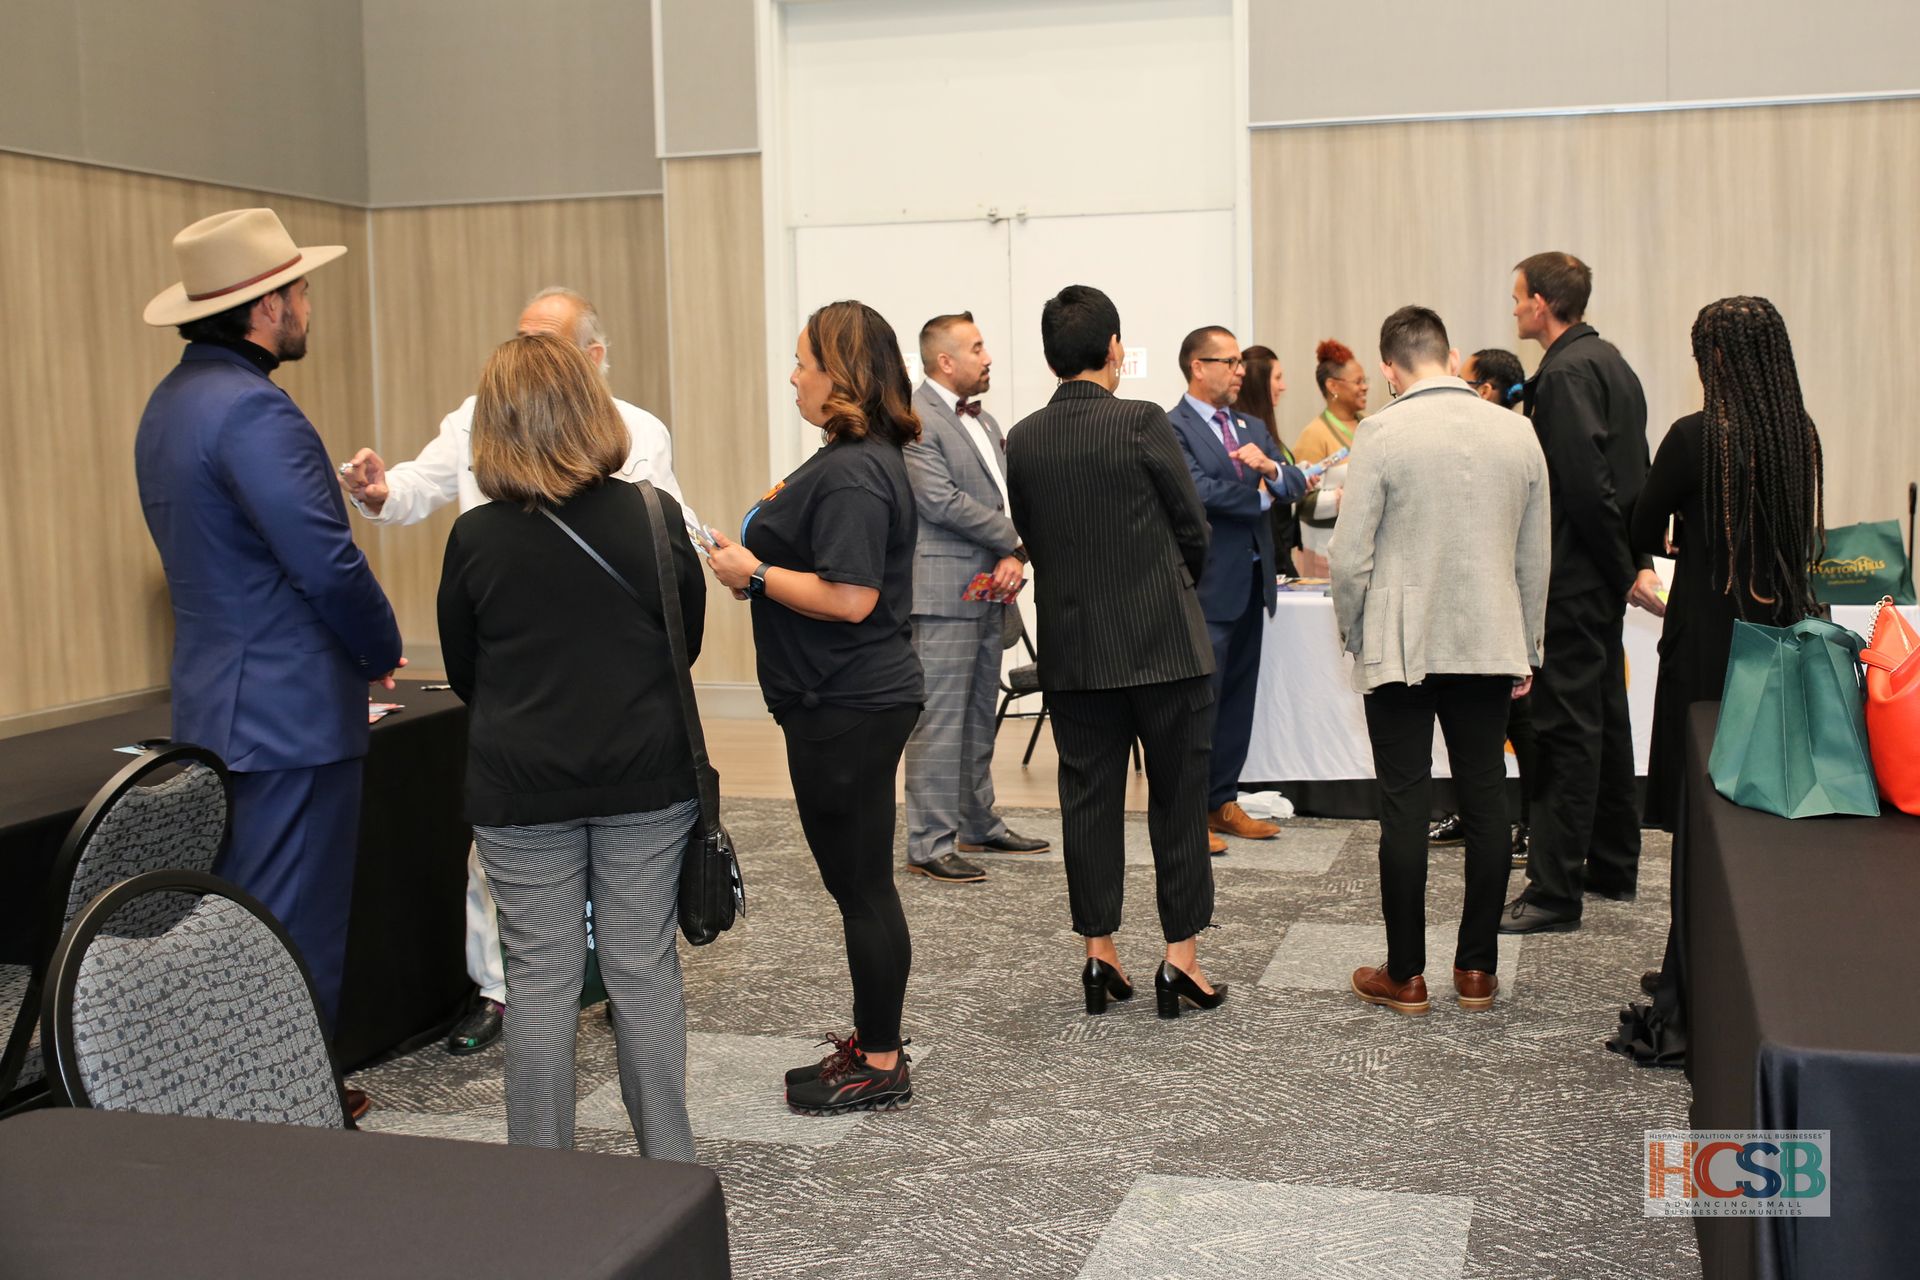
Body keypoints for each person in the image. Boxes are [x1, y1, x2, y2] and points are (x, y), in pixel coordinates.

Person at [340, 286, 686, 1057]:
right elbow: (416, 488)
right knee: (501, 871)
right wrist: (376, 491)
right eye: (521, 337)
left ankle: (602, 976)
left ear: (592, 358)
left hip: (610, 688)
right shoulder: (473, 419)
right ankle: (499, 989)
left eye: (550, 343)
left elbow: (668, 552)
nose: (527, 356)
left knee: (621, 894)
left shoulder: (640, 431)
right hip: (521, 683)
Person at [135, 209, 404, 1075]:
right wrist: (380, 646)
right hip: (290, 717)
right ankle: (289, 1115)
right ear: (265, 310)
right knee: (292, 935)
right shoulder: (257, 412)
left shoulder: (172, 403)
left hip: (219, 705)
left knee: (241, 920)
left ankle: (246, 1105)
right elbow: (325, 566)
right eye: (300, 290)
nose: (308, 303)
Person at [437, 333, 703, 1157]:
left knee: (541, 981)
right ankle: (670, 1166)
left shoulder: (476, 539)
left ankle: (540, 1190)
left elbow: (462, 670)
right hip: (645, 779)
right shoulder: (655, 517)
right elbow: (682, 645)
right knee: (640, 967)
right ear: (593, 409)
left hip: (521, 787)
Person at [706, 301, 925, 1115]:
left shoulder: (856, 470)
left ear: (840, 374)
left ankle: (879, 1060)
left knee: (863, 885)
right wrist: (752, 569)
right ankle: (877, 1048)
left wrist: (753, 573)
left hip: (848, 701)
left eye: (802, 361)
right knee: (857, 882)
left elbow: (853, 597)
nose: (793, 376)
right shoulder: (847, 459)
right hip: (838, 698)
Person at [1004, 285, 1225, 1021]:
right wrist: (1171, 583)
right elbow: (1192, 527)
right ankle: (1180, 961)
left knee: (1088, 804)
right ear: (1113, 351)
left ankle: (1100, 956)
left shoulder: (1025, 438)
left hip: (1075, 655)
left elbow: (1032, 534)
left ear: (1049, 357)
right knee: (1177, 800)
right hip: (1164, 646)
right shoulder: (1141, 421)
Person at [1332, 307, 1549, 1016]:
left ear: (1390, 368)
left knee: (1404, 801)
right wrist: (1529, 643)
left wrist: (1354, 629)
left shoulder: (1382, 431)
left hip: (1402, 640)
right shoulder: (1516, 432)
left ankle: (1407, 975)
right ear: (1452, 357)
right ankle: (1477, 971)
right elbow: (1534, 555)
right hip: (1489, 637)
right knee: (1487, 801)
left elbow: (1351, 554)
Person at [1629, 297, 1824, 831]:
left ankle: (1696, 915)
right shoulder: (1797, 435)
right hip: (1778, 626)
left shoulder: (1694, 437)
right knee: (1767, 777)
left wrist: (1680, 530)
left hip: (1707, 632)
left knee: (1702, 781)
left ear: (1713, 358)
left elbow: (1642, 526)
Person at [1501, 252, 1651, 935]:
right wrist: (1632, 562)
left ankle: (1553, 892)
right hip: (1599, 574)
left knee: (1562, 730)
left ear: (1541, 303)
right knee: (1606, 718)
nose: (1514, 309)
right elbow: (1632, 478)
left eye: (1518, 297)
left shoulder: (1562, 375)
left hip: (1572, 576)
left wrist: (1623, 568)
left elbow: (1587, 486)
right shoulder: (1613, 362)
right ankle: (1614, 863)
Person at [899, 311, 1050, 884]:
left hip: (990, 586)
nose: (988, 358)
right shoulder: (915, 418)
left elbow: (1002, 497)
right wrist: (1015, 539)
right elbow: (938, 501)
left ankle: (976, 821)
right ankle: (928, 842)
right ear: (945, 360)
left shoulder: (984, 423)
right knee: (939, 719)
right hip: (940, 593)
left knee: (977, 712)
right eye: (978, 348)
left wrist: (1013, 555)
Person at [1168, 327, 1309, 851]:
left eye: (1238, 362)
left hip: (1254, 586)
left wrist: (1271, 470)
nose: (1238, 371)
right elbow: (1195, 492)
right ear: (1196, 367)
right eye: (1226, 362)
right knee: (1198, 705)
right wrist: (1261, 494)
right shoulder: (1173, 427)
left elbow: (1293, 482)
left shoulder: (1250, 424)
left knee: (1237, 701)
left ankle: (1220, 801)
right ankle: (1186, 815)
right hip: (1207, 588)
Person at [1427, 347, 1537, 869]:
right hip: (1485, 624)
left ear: (1486, 389)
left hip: (1501, 621)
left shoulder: (1515, 441)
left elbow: (1531, 551)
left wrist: (1530, 642)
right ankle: (1475, 816)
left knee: (1520, 735)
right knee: (1481, 750)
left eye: (1463, 377)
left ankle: (1532, 825)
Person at [1233, 344, 1318, 579]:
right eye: (1277, 378)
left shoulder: (1263, 431)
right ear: (1259, 383)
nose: (1283, 386)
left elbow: (1284, 478)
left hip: (1281, 550)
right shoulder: (1243, 436)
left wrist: (1296, 478)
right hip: (1267, 554)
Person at [1292, 339, 1367, 557]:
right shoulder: (1314, 434)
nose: (1365, 387)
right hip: (1324, 553)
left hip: (1363, 551)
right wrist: (1348, 499)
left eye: (1365, 380)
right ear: (1333, 386)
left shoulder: (1370, 424)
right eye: (1358, 381)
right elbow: (1301, 502)